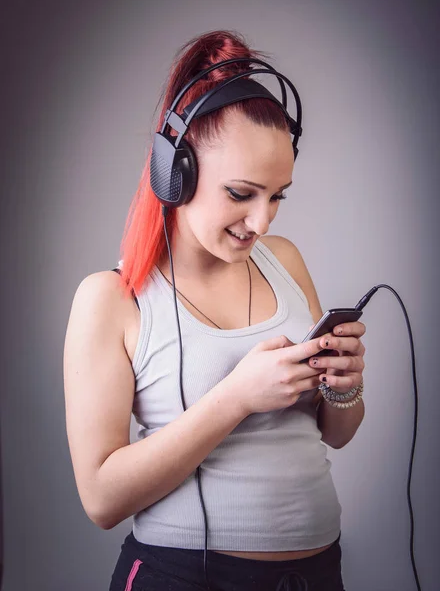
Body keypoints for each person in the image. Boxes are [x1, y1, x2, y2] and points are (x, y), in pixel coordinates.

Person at [63, 29, 366, 591]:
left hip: (318, 574)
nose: (262, 222)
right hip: (183, 578)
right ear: (174, 173)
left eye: (277, 196)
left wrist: (343, 387)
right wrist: (234, 398)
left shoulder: (286, 261)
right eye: (241, 193)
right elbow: (101, 500)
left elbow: (336, 433)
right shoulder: (111, 300)